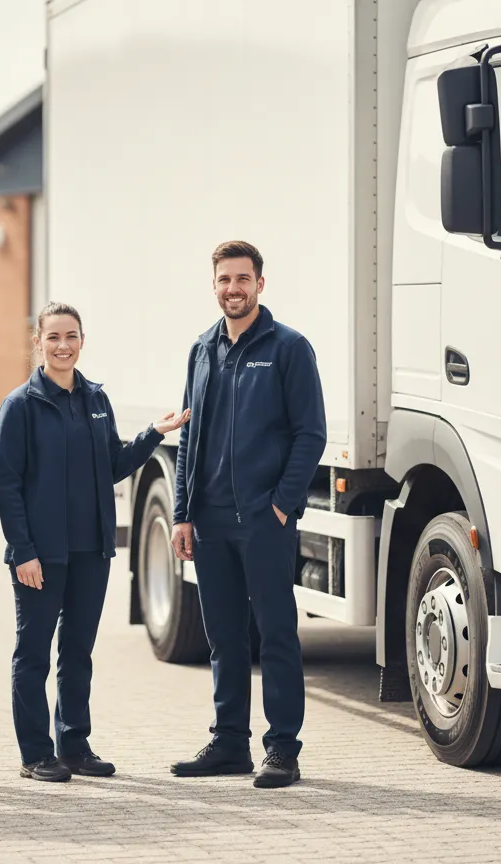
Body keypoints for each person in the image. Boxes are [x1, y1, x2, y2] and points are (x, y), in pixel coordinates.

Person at [0, 302, 190, 782]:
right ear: (37, 342)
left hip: (91, 550)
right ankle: (36, 753)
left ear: (82, 341)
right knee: (34, 653)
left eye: (72, 336)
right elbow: (8, 484)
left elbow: (114, 464)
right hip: (42, 554)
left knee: (78, 650)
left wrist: (153, 435)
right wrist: (23, 551)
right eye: (54, 337)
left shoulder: (95, 399)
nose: (63, 345)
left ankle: (75, 746)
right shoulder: (20, 405)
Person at [169, 241, 326, 789]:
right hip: (210, 522)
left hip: (264, 521)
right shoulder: (202, 350)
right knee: (224, 636)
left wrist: (282, 504)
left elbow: (311, 434)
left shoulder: (288, 349)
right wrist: (183, 513)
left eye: (242, 279)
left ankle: (282, 747)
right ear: (213, 286)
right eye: (223, 280)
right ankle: (230, 742)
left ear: (261, 283)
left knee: (276, 633)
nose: (232, 288)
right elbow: (190, 435)